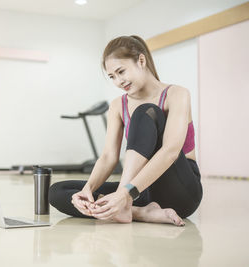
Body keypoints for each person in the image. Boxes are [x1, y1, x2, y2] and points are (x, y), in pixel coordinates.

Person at [48, 35, 202, 226]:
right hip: (140, 190)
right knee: (58, 191)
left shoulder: (177, 94)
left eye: (121, 71)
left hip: (181, 191)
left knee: (145, 112)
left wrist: (124, 193)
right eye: (112, 76)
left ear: (141, 61)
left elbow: (170, 152)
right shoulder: (118, 105)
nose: (119, 81)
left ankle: (124, 204)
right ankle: (140, 213)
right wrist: (88, 189)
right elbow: (108, 157)